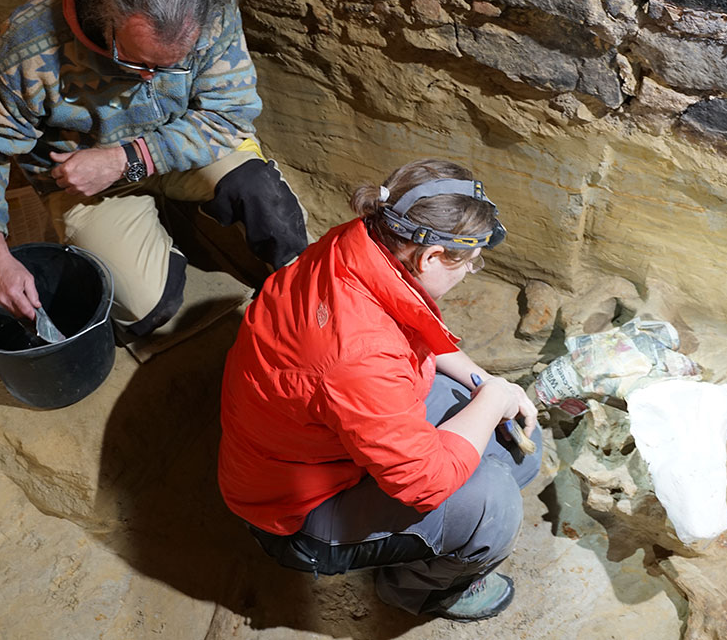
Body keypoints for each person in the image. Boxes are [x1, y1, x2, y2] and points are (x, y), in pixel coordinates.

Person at [0, 0, 308, 338]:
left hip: (179, 147)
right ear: (105, 18)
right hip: (88, 183)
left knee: (264, 198)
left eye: (173, 65)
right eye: (138, 63)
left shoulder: (211, 6)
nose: (151, 78)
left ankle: (310, 289)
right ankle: (160, 243)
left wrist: (127, 159)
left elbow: (229, 114)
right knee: (144, 309)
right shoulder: (28, 50)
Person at [218, 159, 542, 622]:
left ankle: (428, 540)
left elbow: (414, 324)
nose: (472, 269)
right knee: (493, 506)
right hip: (291, 511)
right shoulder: (359, 353)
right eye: (470, 261)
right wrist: (491, 401)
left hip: (319, 434)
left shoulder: (357, 244)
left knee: (519, 443)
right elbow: (424, 482)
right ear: (431, 258)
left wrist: (486, 383)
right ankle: (416, 591)